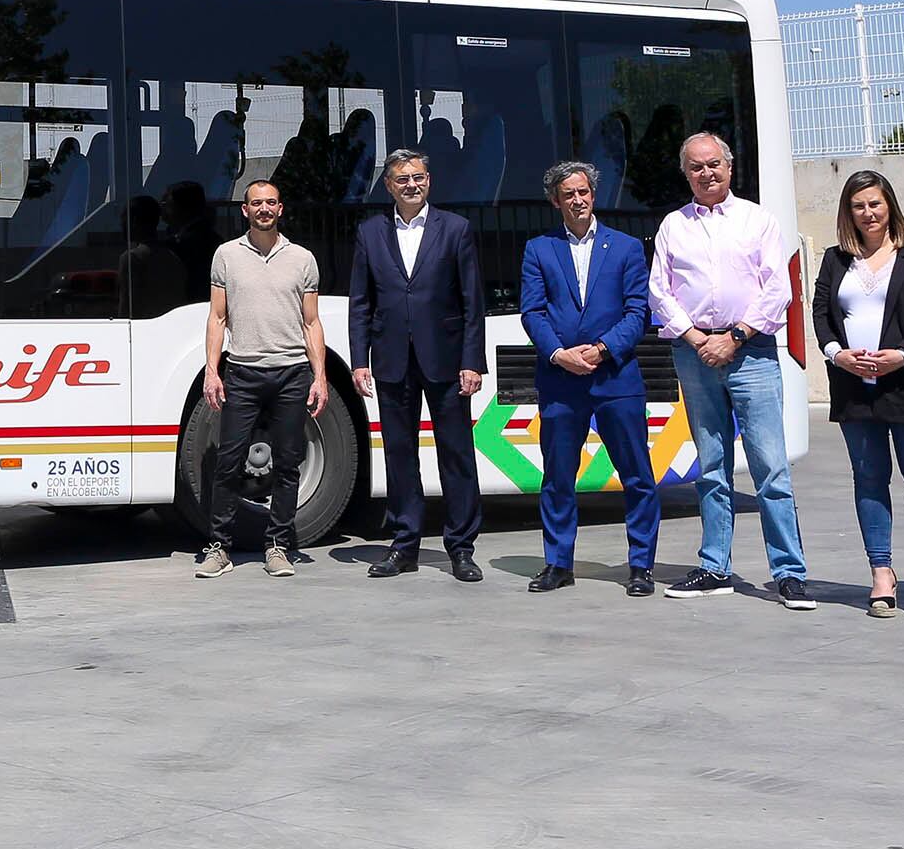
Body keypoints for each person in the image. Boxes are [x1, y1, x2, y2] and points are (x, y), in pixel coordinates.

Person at [648, 132, 812, 609]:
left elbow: (777, 288)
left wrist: (734, 337)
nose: (707, 173)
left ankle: (789, 572)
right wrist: (699, 339)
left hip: (752, 350)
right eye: (697, 167)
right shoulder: (673, 226)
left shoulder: (757, 220)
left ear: (730, 167)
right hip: (695, 352)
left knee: (770, 467)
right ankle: (715, 566)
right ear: (686, 173)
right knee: (712, 467)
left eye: (714, 164)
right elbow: (660, 290)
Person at [518, 160, 659, 596]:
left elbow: (639, 311)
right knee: (558, 476)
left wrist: (600, 349)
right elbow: (533, 311)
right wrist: (560, 354)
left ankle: (640, 566)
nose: (577, 200)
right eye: (568, 195)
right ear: (555, 201)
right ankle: (558, 563)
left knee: (636, 474)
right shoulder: (539, 249)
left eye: (583, 192)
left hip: (616, 378)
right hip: (561, 379)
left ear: (593, 195)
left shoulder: (626, 247)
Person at [813, 170, 904, 620]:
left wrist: (902, 355)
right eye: (858, 206)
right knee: (869, 481)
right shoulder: (835, 260)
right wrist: (837, 355)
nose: (868, 213)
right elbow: (820, 314)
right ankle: (881, 573)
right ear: (847, 213)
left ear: (889, 204)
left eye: (875, 203)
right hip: (855, 389)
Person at [347, 150, 486, 581]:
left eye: (420, 177)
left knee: (457, 454)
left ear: (429, 180)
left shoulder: (455, 229)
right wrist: (358, 360)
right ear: (388, 185)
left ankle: (461, 547)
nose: (412, 185)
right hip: (391, 361)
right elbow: (361, 302)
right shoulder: (370, 232)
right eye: (403, 179)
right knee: (400, 454)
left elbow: (471, 302)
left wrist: (472, 361)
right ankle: (404, 544)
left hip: (445, 359)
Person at [192, 179, 329, 580]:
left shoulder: (302, 258)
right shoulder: (226, 256)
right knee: (228, 462)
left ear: (281, 209)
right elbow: (217, 317)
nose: (264, 209)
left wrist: (319, 377)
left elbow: (311, 321)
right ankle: (218, 548)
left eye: (271, 203)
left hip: (291, 374)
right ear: (245, 211)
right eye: (257, 203)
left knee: (288, 464)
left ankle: (278, 547)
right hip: (243, 372)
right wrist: (212, 371)